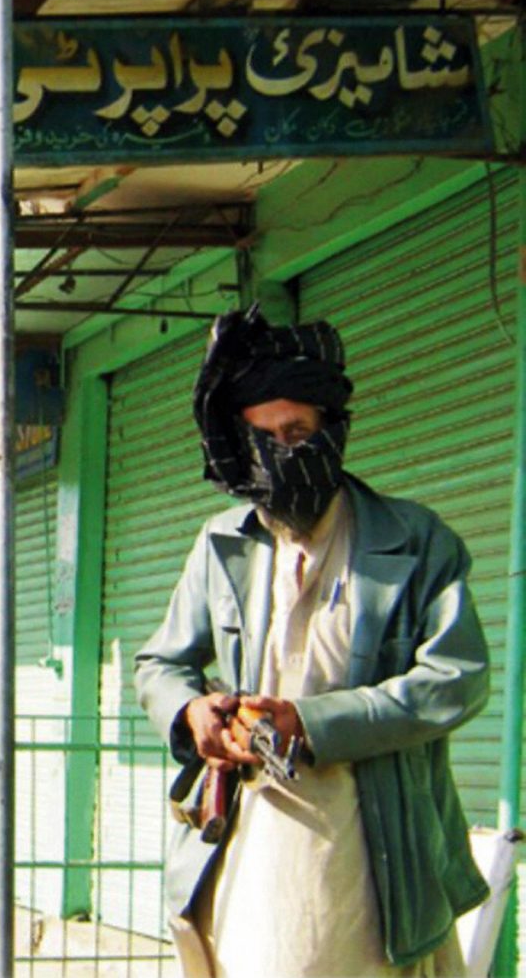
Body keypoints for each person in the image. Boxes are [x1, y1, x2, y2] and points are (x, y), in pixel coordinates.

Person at [134, 306, 489, 976]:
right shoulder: (221, 544)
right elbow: (161, 662)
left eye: (296, 431)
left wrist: (313, 721)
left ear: (332, 429)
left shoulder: (416, 541)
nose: (280, 450)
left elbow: (457, 676)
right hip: (253, 836)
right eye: (261, 435)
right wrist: (192, 711)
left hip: (376, 838)